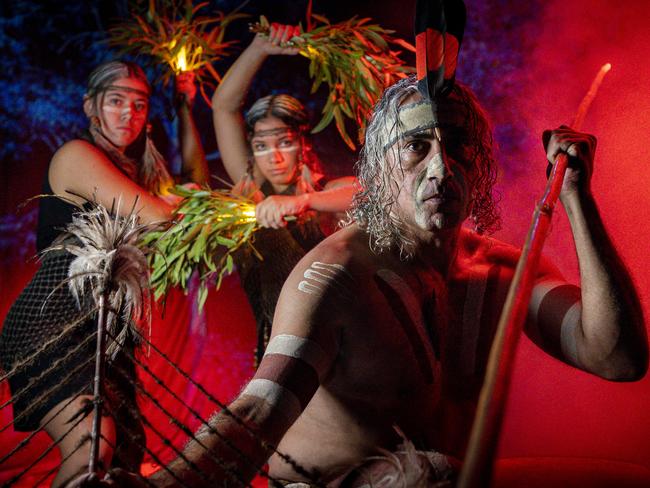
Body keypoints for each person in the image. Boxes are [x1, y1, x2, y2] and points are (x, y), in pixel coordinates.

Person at [104, 74, 647, 487]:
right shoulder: (334, 278)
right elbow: (260, 411)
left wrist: (578, 198)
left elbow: (616, 356)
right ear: (380, 169)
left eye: (455, 146)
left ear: (477, 164)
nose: (440, 168)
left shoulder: (501, 272)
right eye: (416, 147)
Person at [0, 60, 208, 488]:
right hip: (53, 318)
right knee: (91, 443)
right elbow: (159, 217)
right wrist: (177, 203)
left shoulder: (133, 174)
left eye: (139, 104)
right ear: (91, 106)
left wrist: (185, 109)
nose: (128, 114)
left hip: (104, 327)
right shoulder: (77, 155)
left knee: (123, 457)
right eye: (116, 101)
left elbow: (197, 191)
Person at [211, 23, 357, 365]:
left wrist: (303, 201)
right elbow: (223, 108)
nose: (274, 157)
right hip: (273, 354)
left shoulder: (324, 195)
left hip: (337, 350)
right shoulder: (250, 193)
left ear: (302, 143)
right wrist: (259, 48)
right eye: (261, 146)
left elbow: (371, 194)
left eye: (284, 142)